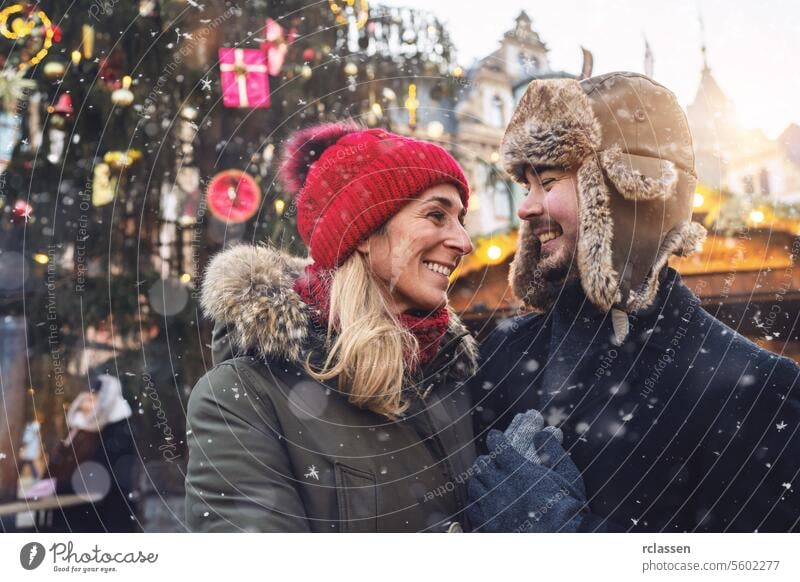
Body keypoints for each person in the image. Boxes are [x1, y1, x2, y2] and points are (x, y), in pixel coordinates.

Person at [468, 72, 800, 532]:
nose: (526, 207)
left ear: (622, 194)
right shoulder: (502, 354)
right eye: (526, 185)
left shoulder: (755, 387)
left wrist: (564, 543)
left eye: (547, 180)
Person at [185, 122, 477, 532]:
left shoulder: (453, 372)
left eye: (461, 220)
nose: (464, 243)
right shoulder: (243, 399)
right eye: (436, 214)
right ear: (362, 231)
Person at [46, 374, 138, 532]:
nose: (86, 406)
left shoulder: (117, 431)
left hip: (108, 514)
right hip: (83, 510)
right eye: (85, 399)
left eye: (93, 400)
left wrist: (56, 486)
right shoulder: (88, 427)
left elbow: (96, 477)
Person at [19, 411, 43, 480]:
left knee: (26, 462)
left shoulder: (35, 425)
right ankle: (35, 475)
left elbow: (30, 437)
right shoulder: (30, 425)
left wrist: (25, 442)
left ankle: (35, 475)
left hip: (29, 448)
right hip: (28, 448)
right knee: (26, 462)